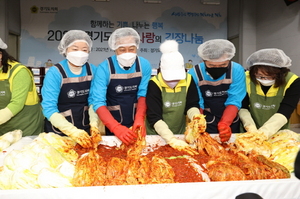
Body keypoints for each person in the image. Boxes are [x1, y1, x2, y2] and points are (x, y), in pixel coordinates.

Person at [91, 27, 152, 145]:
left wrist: (140, 118)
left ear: (137, 48)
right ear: (115, 49)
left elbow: (143, 94)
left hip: (136, 121)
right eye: (122, 49)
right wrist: (115, 127)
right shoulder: (104, 68)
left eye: (131, 49)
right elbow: (98, 102)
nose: (127, 53)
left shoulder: (144, 65)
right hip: (112, 122)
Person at [41, 30, 100, 148]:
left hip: (84, 128)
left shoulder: (93, 70)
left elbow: (94, 101)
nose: (80, 53)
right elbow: (48, 108)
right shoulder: (55, 73)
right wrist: (72, 131)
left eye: (84, 50)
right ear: (65, 50)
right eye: (75, 49)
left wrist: (94, 124)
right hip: (59, 131)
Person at [146, 40, 203, 154]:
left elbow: (191, 105)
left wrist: (196, 117)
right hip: (156, 136)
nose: (174, 82)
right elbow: (154, 116)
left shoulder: (188, 80)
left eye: (176, 79)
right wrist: (171, 139)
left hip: (179, 133)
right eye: (170, 79)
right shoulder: (154, 83)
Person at [188, 39, 246, 142]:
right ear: (204, 60)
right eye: (212, 66)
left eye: (223, 65)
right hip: (206, 117)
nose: (217, 68)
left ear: (229, 60)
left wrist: (225, 123)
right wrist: (199, 123)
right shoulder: (194, 73)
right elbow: (198, 102)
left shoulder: (236, 70)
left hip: (230, 116)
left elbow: (235, 99)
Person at [238, 48, 300, 139]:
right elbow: (243, 106)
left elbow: (286, 110)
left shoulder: (292, 81)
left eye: (270, 77)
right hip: (248, 131)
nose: (264, 79)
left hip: (278, 132)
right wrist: (250, 128)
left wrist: (264, 132)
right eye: (259, 76)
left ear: (281, 73)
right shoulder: (245, 78)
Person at [0, 38, 44, 136]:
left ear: (1, 55)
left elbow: (16, 104)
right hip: (4, 128)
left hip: (26, 127)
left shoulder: (19, 72)